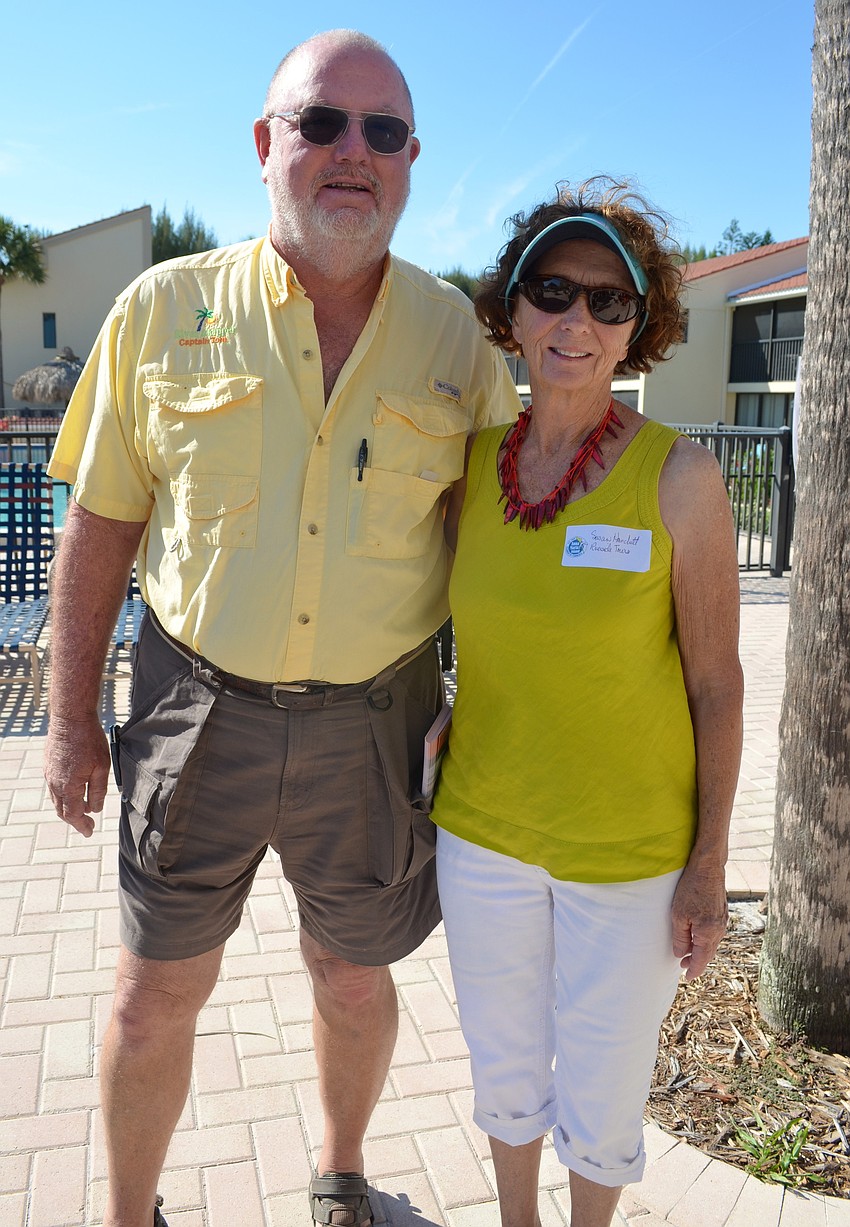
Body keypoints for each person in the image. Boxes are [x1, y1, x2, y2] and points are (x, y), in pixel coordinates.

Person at [44, 29, 520, 1227]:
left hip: (377, 720)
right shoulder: (163, 309)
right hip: (192, 706)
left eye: (383, 130)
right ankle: (128, 1216)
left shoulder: (458, 340)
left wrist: (488, 715)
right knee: (154, 994)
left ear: (410, 160)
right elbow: (99, 527)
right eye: (321, 122)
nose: (353, 151)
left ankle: (341, 1176)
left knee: (353, 978)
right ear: (266, 144)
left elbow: (491, 554)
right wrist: (68, 721)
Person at [431, 178, 744, 1227]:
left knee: (604, 1095)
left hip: (630, 857)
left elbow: (717, 684)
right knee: (505, 1068)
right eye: (553, 291)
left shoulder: (680, 478)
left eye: (608, 302)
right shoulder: (470, 469)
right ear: (512, 310)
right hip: (482, 833)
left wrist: (708, 865)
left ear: (636, 329)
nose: (577, 320)